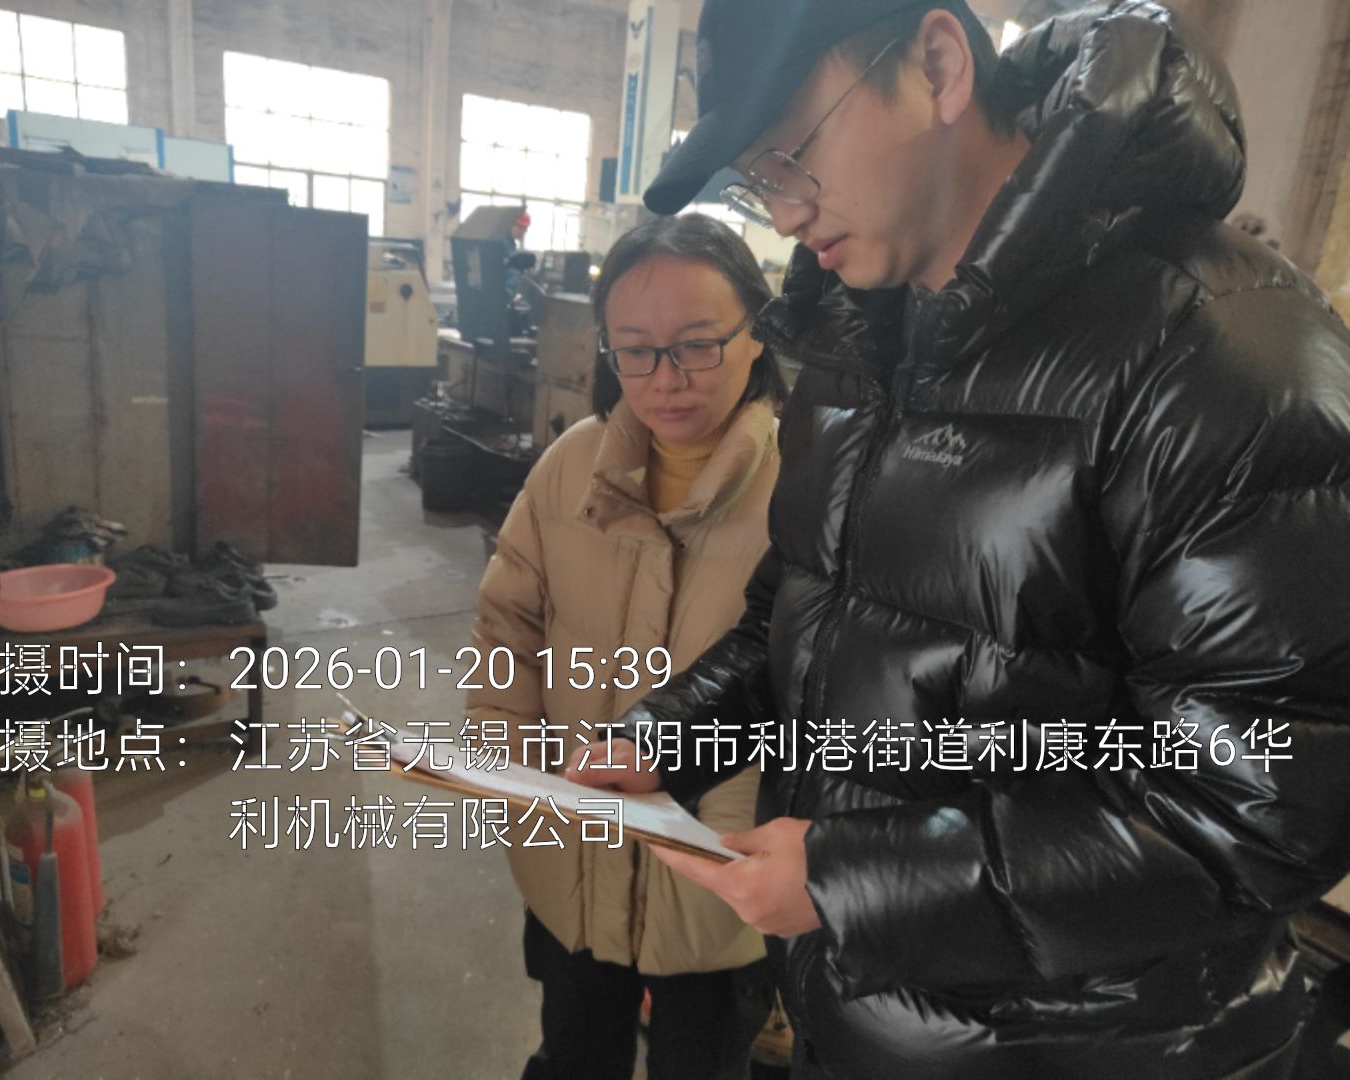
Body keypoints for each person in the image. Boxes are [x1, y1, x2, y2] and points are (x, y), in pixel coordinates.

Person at [568, 2, 1350, 1078]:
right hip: (862, 1009)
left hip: (1093, 1047)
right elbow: (796, 613)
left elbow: (1256, 806)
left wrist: (858, 879)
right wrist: (669, 736)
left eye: (794, 154)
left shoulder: (1217, 351)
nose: (786, 212)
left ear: (938, 66)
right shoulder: (856, 342)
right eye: (757, 183)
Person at [466, 212, 788, 1080]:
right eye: (635, 351)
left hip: (718, 880)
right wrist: (513, 771)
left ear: (757, 332)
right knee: (574, 1053)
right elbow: (506, 627)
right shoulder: (570, 469)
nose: (665, 380)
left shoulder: (808, 489)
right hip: (570, 853)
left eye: (697, 345)